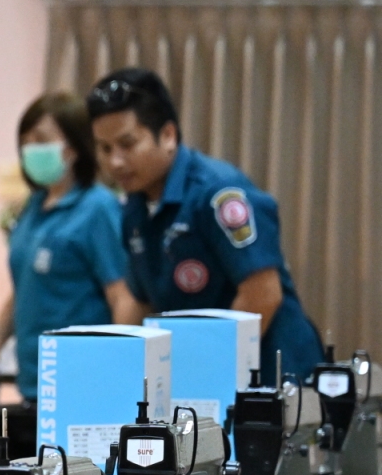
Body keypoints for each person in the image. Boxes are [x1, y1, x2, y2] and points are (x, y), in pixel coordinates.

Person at [86, 67, 323, 382]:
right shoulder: (134, 207)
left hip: (271, 378)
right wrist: (118, 368)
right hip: (200, 378)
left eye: (127, 144)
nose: (115, 161)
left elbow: (262, 295)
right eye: (105, 149)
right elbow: (137, 300)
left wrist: (202, 375)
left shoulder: (218, 193)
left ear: (168, 136)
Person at [0, 91, 138, 401]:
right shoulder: (33, 207)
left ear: (73, 148)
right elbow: (22, 290)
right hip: (35, 384)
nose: (30, 150)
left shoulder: (98, 208)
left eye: (41, 140)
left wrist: (120, 373)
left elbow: (122, 297)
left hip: (85, 386)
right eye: (25, 142)